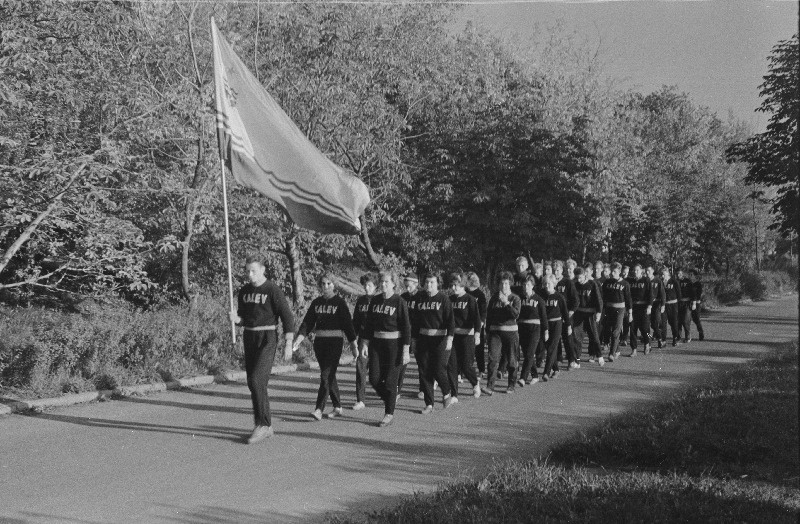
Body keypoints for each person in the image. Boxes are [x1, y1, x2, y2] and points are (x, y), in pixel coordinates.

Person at [229, 256, 294, 444]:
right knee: (253, 382)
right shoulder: (244, 292)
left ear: (263, 269)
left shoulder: (272, 290)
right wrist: (236, 320)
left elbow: (287, 317)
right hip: (250, 337)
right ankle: (264, 425)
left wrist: (288, 342)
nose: (250, 275)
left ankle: (263, 425)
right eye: (247, 271)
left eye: (253, 271)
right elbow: (244, 319)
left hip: (268, 337)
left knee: (258, 379)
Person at [294, 273, 358, 421]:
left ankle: (318, 408)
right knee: (328, 375)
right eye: (323, 283)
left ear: (333, 285)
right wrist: (299, 338)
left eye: (329, 283)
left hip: (335, 342)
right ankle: (337, 407)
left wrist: (353, 343)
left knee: (326, 375)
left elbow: (348, 324)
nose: (325, 286)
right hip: (320, 343)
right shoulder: (316, 303)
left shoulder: (339, 303)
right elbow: (307, 323)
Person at [361, 270, 411, 427]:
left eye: (386, 282)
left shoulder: (399, 302)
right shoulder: (375, 301)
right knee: (374, 379)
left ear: (394, 284)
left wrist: (405, 350)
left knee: (390, 382)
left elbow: (406, 327)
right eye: (381, 281)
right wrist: (365, 344)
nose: (383, 284)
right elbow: (368, 325)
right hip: (377, 344)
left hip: (394, 345)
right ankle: (391, 398)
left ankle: (389, 413)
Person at [414, 273, 456, 413]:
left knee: (438, 369)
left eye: (432, 282)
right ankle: (429, 404)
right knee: (424, 371)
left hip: (440, 339)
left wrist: (450, 338)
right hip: (423, 339)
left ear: (438, 283)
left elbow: (450, 321)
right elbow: (415, 322)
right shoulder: (420, 298)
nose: (428, 285)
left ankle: (446, 391)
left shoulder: (444, 299)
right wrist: (413, 340)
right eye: (426, 282)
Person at [483, 271, 521, 394]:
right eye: (501, 283)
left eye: (506, 283)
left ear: (509, 284)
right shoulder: (494, 298)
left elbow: (515, 314)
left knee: (511, 359)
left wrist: (506, 303)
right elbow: (489, 316)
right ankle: (490, 386)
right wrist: (487, 332)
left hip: (510, 332)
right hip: (495, 333)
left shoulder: (515, 298)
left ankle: (511, 385)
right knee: (493, 359)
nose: (503, 286)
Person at [447, 272, 483, 399]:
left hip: (467, 336)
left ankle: (475, 383)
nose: (453, 288)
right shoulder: (449, 300)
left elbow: (477, 319)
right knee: (452, 365)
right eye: (452, 285)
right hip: (453, 337)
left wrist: (477, 335)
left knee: (466, 366)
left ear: (462, 285)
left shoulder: (470, 299)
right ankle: (454, 395)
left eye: (456, 285)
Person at [351, 273, 376, 410]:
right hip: (363, 339)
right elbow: (355, 321)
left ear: (375, 287)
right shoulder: (360, 301)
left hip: (378, 340)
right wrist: (352, 339)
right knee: (361, 368)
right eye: (365, 285)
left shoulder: (379, 300)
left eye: (370, 285)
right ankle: (360, 399)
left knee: (377, 371)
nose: (367, 288)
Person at [517, 274, 548, 385]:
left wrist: (546, 331)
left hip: (535, 328)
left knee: (530, 353)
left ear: (533, 285)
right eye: (524, 285)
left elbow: (544, 317)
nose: (526, 287)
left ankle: (523, 378)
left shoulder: (539, 299)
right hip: (522, 328)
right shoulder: (519, 298)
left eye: (528, 285)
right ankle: (535, 375)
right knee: (527, 354)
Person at [541, 274, 571, 381]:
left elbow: (565, 313)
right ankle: (556, 369)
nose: (546, 286)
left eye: (549, 283)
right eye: (545, 284)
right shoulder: (541, 296)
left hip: (557, 323)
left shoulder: (559, 297)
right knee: (548, 347)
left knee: (551, 348)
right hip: (545, 325)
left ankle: (546, 372)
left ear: (553, 284)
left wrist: (568, 326)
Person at [600, 262, 632, 361]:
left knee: (616, 331)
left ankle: (611, 353)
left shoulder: (625, 284)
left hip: (620, 309)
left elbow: (628, 299)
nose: (612, 273)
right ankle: (617, 350)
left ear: (619, 272)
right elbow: (603, 297)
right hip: (609, 309)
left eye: (615, 271)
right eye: (611, 271)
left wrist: (630, 313)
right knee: (608, 331)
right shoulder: (607, 282)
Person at [573, 267, 603, 366]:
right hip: (579, 314)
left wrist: (599, 312)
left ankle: (599, 356)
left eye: (580, 277)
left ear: (585, 275)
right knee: (577, 337)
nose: (579, 280)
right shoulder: (575, 285)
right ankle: (576, 360)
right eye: (577, 278)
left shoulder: (592, 284)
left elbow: (599, 299)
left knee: (594, 336)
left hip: (590, 314)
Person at [400, 274, 423, 400]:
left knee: (422, 363)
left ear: (416, 284)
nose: (407, 288)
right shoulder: (402, 298)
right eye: (405, 286)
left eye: (409, 286)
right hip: (406, 334)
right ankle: (397, 389)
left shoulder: (422, 297)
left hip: (418, 334)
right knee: (402, 362)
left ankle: (423, 389)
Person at [554, 259, 580, 368]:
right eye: (554, 270)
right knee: (556, 338)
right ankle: (559, 358)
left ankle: (571, 359)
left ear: (562, 270)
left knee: (567, 337)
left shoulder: (567, 282)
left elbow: (575, 300)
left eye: (558, 270)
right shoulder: (550, 281)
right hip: (555, 315)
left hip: (566, 314)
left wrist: (571, 312)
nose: (556, 272)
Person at [465, 272, 488, 376]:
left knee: (479, 349)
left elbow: (483, 310)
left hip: (478, 325)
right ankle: (461, 371)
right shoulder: (464, 292)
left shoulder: (480, 294)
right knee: (464, 350)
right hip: (465, 325)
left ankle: (481, 370)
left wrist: (482, 322)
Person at [628, 264, 653, 356]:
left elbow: (651, 294)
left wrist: (649, 306)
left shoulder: (646, 280)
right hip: (634, 307)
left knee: (645, 328)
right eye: (634, 270)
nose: (635, 272)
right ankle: (634, 349)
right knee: (633, 328)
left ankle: (647, 344)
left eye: (637, 270)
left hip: (644, 307)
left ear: (641, 271)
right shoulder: (630, 281)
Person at [661, 267, 682, 346]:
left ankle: (675, 338)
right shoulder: (661, 282)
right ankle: (663, 340)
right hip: (664, 305)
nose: (662, 276)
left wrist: (678, 304)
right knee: (663, 323)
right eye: (662, 275)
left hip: (673, 305)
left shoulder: (674, 281)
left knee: (673, 322)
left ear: (668, 274)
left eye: (664, 275)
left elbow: (679, 294)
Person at [646, 265, 667, 348]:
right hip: (647, 305)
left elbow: (662, 293)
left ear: (652, 271)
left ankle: (660, 339)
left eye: (649, 271)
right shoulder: (645, 281)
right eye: (646, 271)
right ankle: (648, 341)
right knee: (647, 324)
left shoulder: (657, 281)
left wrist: (663, 305)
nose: (647, 273)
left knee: (655, 323)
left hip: (656, 304)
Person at [677, 268, 695, 343]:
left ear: (683, 274)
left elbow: (693, 293)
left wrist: (694, 303)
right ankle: (678, 337)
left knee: (685, 320)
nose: (678, 275)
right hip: (678, 303)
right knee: (678, 321)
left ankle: (688, 336)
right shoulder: (675, 282)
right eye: (677, 274)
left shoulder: (688, 282)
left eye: (680, 274)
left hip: (687, 303)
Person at [689, 269, 705, 340]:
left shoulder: (698, 284)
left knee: (696, 319)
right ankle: (688, 334)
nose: (690, 276)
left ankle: (700, 332)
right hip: (689, 303)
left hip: (696, 303)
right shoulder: (689, 283)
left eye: (691, 275)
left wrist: (694, 302)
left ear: (695, 276)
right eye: (689, 274)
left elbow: (698, 294)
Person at [619, 265, 632, 346]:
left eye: (627, 272)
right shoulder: (618, 279)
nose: (625, 274)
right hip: (620, 303)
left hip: (627, 304)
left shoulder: (630, 280)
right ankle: (620, 338)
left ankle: (624, 338)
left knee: (626, 322)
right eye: (624, 272)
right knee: (619, 323)